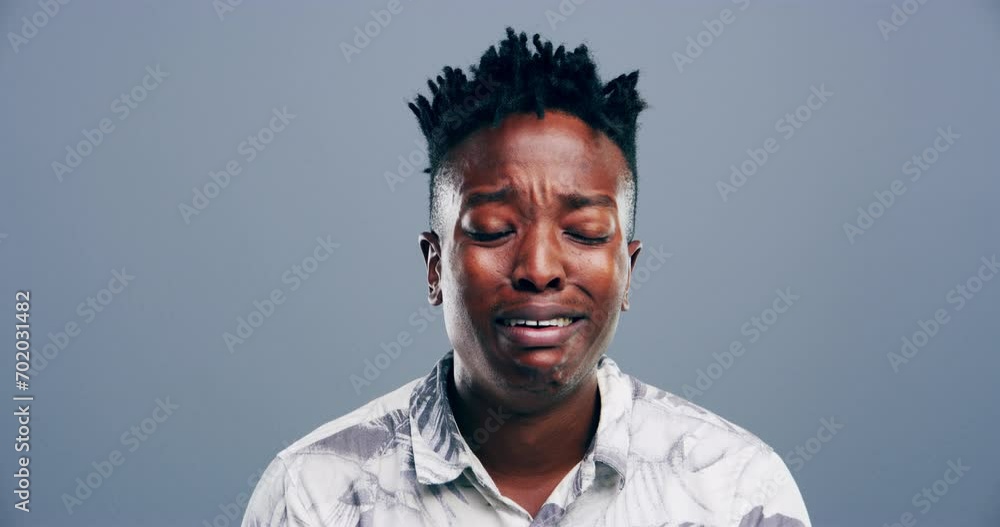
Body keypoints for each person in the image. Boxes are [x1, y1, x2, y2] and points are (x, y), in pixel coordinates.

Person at [242, 27, 811, 527]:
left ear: (628, 270)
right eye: (493, 229)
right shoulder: (313, 495)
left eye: (584, 231)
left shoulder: (737, 491)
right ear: (435, 266)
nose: (539, 269)